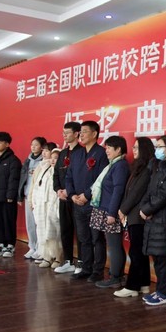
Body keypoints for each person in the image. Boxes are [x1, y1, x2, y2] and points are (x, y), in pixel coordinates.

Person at [139, 135, 166, 306]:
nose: (157, 150)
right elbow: (149, 191)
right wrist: (144, 209)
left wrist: (148, 210)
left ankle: (163, 293)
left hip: (164, 218)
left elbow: (165, 195)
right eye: (156, 146)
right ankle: (159, 291)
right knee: (156, 257)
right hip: (152, 219)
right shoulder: (156, 166)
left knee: (163, 257)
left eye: (160, 147)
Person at [65, 120, 109, 282]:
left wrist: (86, 195)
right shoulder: (77, 154)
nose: (81, 135)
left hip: (94, 203)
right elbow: (68, 177)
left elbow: (102, 179)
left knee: (97, 238)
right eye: (80, 132)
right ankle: (86, 268)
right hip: (77, 203)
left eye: (84, 131)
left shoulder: (101, 153)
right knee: (83, 238)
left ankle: (98, 271)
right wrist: (72, 195)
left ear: (94, 134)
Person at [114, 137, 155, 297]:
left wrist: (122, 210)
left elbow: (136, 193)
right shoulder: (138, 167)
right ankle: (144, 284)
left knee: (136, 252)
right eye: (134, 147)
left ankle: (132, 286)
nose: (134, 150)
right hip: (133, 215)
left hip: (138, 216)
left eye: (137, 147)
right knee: (139, 251)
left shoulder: (147, 168)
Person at [90, 136, 130, 288]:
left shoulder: (120, 166)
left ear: (118, 149)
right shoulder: (113, 164)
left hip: (111, 211)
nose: (106, 151)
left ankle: (115, 276)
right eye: (106, 147)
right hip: (106, 209)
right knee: (114, 245)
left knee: (114, 245)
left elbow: (118, 191)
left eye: (109, 148)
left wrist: (112, 213)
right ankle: (117, 276)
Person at [53, 122, 83, 274]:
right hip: (63, 198)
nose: (64, 135)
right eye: (63, 133)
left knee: (80, 231)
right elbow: (56, 174)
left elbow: (82, 177)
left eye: (67, 133)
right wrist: (58, 190)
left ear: (77, 134)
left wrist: (69, 191)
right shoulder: (63, 153)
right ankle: (68, 261)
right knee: (65, 229)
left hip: (76, 198)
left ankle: (81, 262)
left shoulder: (82, 152)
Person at [30, 144, 63, 268]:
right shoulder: (45, 169)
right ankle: (47, 256)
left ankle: (58, 258)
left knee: (55, 233)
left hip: (53, 207)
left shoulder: (61, 172)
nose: (53, 160)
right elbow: (36, 187)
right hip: (42, 207)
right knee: (43, 233)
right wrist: (34, 202)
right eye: (52, 158)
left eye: (56, 158)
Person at [18, 136, 46, 259]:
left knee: (39, 223)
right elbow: (22, 179)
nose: (33, 147)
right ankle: (32, 247)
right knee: (30, 223)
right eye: (32, 145)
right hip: (28, 195)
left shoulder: (44, 161)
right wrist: (20, 195)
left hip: (39, 197)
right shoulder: (27, 160)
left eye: (36, 145)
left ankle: (40, 248)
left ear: (42, 147)